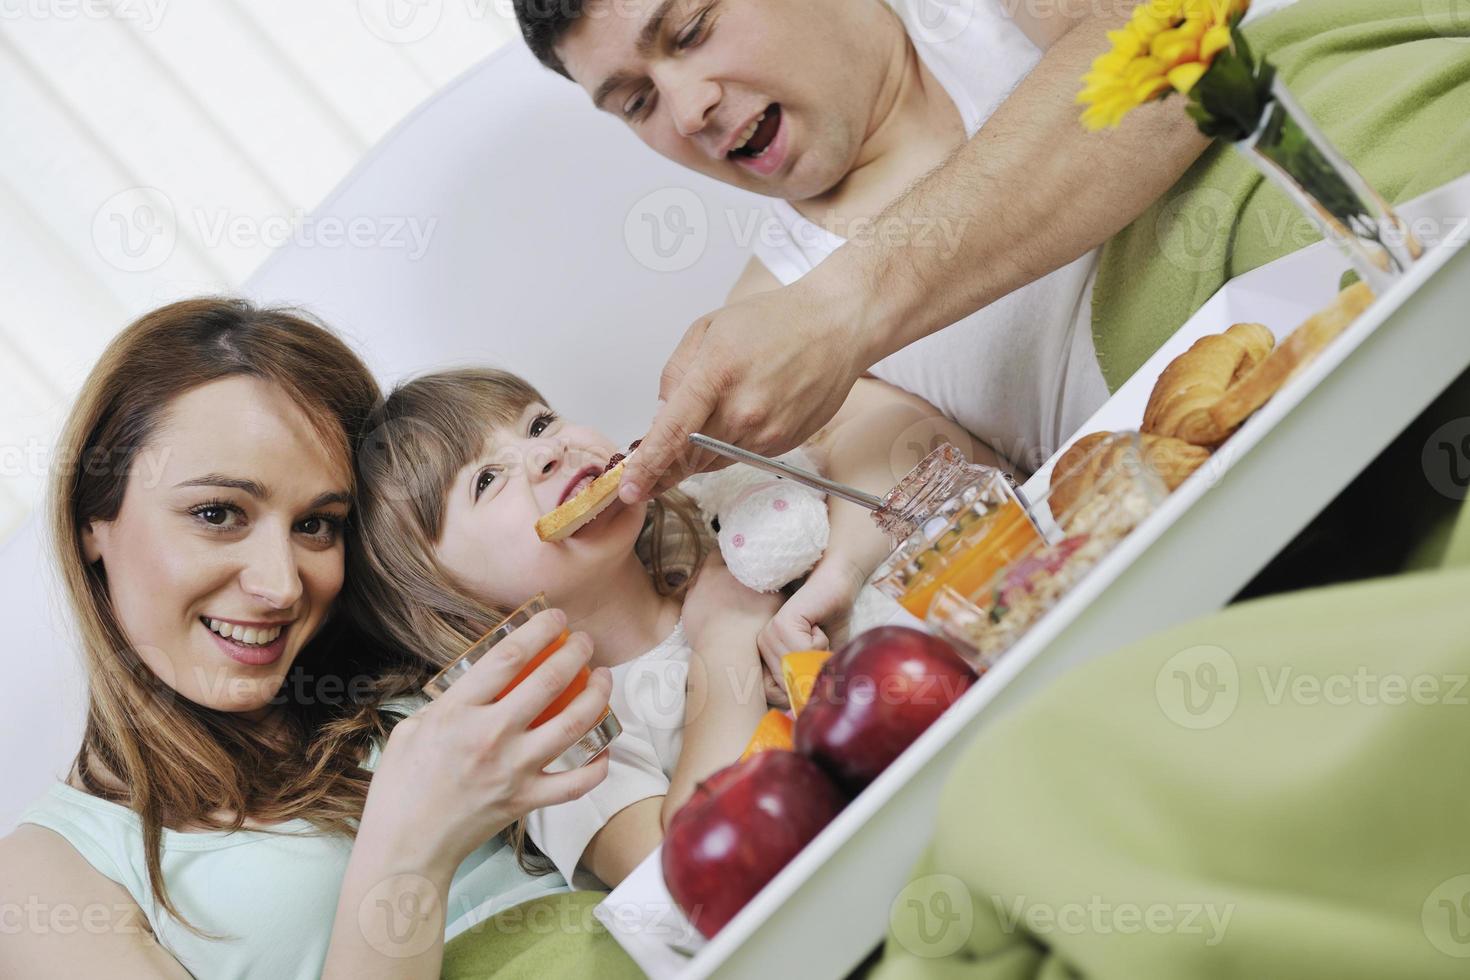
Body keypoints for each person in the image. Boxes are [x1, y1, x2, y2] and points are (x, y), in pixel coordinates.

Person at [0, 299, 618, 978]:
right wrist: (407, 852)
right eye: (217, 513)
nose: (282, 585)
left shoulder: (420, 660)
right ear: (95, 520)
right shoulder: (45, 880)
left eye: (318, 524)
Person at [508, 0, 1296, 502]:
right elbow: (979, 519)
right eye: (637, 103)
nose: (689, 109)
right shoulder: (756, 337)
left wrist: (842, 312)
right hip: (1239, 490)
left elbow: (1168, 57)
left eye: (690, 29)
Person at [346, 365, 963, 885]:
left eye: (539, 422)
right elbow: (680, 876)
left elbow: (926, 447)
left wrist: (836, 575)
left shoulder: (731, 528)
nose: (545, 450)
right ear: (446, 599)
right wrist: (723, 647)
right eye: (486, 479)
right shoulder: (553, 741)